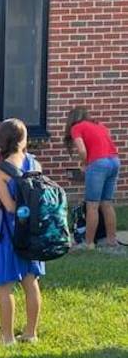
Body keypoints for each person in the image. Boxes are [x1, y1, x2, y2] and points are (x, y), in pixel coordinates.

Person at [0, 119, 44, 345]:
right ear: (22, 140)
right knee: (31, 283)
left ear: (1, 142)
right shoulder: (35, 163)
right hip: (32, 231)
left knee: (5, 286)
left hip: (9, 233)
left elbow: (10, 207)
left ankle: (7, 337)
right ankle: (31, 333)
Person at [64, 106, 121, 250]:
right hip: (114, 161)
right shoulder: (99, 125)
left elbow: (82, 150)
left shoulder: (76, 127)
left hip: (98, 163)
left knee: (92, 205)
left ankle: (88, 243)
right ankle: (111, 240)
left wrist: (83, 163)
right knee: (106, 203)